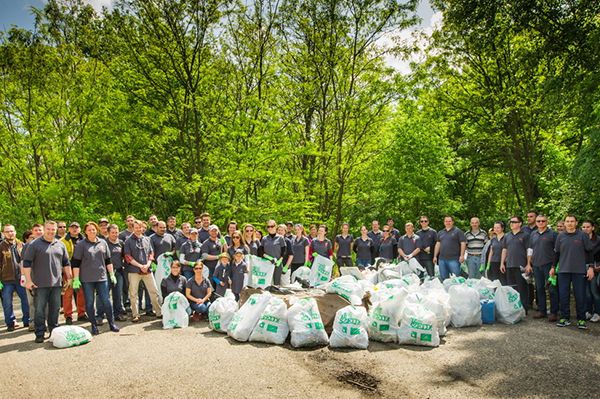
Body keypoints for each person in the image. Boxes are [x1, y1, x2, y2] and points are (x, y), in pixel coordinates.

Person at [22, 221, 71, 343]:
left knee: (54, 309)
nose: (51, 231)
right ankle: (39, 333)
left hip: (56, 284)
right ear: (44, 229)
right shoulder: (34, 245)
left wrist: (69, 278)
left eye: (53, 229)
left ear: (56, 230)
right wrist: (28, 280)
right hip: (39, 284)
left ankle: (53, 331)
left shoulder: (60, 245)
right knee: (39, 310)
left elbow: (66, 263)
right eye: (48, 229)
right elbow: (26, 263)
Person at [72, 222, 119, 335]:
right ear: (85, 232)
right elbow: (76, 263)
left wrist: (111, 274)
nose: (92, 231)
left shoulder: (103, 242)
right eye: (89, 230)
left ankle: (111, 323)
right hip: (87, 279)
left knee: (106, 301)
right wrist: (76, 279)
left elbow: (108, 260)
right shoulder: (81, 244)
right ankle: (93, 325)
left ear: (97, 230)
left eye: (93, 229)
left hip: (102, 277)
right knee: (89, 303)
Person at [553, 215, 598, 329]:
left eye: (572, 221)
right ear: (564, 223)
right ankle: (565, 318)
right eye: (567, 221)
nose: (569, 223)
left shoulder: (583, 235)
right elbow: (556, 253)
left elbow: (590, 252)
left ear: (576, 223)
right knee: (563, 295)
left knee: (580, 296)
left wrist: (591, 267)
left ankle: (581, 319)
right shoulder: (560, 236)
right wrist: (553, 267)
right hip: (563, 270)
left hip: (579, 271)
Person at [123, 220, 162, 323]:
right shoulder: (128, 241)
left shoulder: (147, 239)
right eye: (136, 227)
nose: (138, 229)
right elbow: (127, 256)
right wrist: (140, 266)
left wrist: (148, 264)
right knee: (133, 294)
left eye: (140, 227)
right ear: (133, 228)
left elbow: (151, 253)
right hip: (134, 270)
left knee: (154, 291)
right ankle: (135, 314)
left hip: (147, 270)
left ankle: (158, 312)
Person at [526, 214, 558, 321]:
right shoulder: (533, 234)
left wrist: (554, 266)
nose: (540, 223)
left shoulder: (553, 234)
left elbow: (557, 251)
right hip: (536, 265)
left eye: (543, 221)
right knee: (539, 289)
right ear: (536, 222)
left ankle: (554, 312)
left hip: (549, 266)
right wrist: (528, 263)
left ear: (547, 221)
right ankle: (542, 311)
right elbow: (530, 249)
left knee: (552, 289)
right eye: (538, 221)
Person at [0, 224, 28, 331]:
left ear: (15, 232)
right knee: (7, 302)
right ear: (3, 233)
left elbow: (26, 261)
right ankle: (10, 323)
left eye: (12, 231)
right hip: (6, 279)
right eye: (7, 232)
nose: (10, 233)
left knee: (25, 300)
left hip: (21, 278)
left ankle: (27, 320)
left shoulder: (22, 245)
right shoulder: (1, 246)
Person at [500, 216, 530, 311]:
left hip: (521, 266)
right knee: (511, 288)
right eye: (510, 222)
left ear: (520, 223)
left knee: (522, 288)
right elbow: (504, 250)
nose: (511, 223)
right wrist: (502, 263)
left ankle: (524, 308)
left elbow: (529, 250)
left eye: (514, 222)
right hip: (509, 265)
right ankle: (514, 308)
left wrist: (528, 264)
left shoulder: (525, 235)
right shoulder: (507, 235)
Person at [60, 222, 87, 324]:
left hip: (82, 269)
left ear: (80, 229)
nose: (75, 229)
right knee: (68, 293)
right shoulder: (63, 241)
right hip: (68, 269)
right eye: (72, 227)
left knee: (81, 293)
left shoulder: (85, 240)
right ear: (69, 229)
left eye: (77, 227)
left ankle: (81, 313)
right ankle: (68, 316)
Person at [105, 224, 126, 321]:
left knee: (118, 294)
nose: (115, 234)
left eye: (116, 232)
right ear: (108, 233)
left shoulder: (121, 243)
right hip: (105, 273)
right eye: (112, 232)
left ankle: (118, 314)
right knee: (103, 295)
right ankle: (100, 315)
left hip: (118, 272)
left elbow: (123, 256)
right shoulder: (103, 243)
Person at [258, 220, 287, 286]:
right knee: (266, 283)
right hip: (266, 264)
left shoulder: (280, 238)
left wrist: (280, 260)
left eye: (272, 226)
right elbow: (260, 251)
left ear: (275, 226)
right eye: (268, 227)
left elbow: (284, 250)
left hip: (277, 264)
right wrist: (267, 257)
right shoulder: (264, 238)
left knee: (276, 284)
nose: (270, 228)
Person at [582, 220, 600, 322]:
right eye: (583, 227)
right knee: (586, 292)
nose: (585, 229)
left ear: (593, 228)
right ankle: (588, 311)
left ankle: (597, 312)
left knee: (594, 291)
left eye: (588, 227)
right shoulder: (580, 238)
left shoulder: (598, 240)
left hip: (595, 268)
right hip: (581, 268)